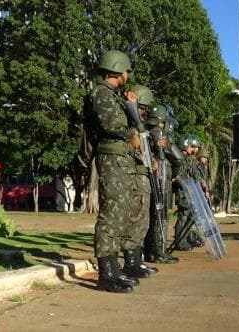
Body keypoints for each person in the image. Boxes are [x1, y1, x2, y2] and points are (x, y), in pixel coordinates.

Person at [90, 50, 141, 293]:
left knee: (121, 212)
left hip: (122, 158)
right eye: (126, 70)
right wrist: (130, 135)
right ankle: (106, 273)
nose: (128, 74)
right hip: (112, 158)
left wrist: (131, 105)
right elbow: (110, 123)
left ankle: (113, 267)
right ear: (117, 68)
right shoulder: (100, 93)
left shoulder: (115, 95)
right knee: (112, 212)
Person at [121, 84, 158, 277]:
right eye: (142, 108)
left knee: (142, 222)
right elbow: (137, 147)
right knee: (135, 220)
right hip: (134, 176)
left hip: (142, 176)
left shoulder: (138, 125)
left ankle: (137, 260)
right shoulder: (129, 124)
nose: (143, 113)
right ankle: (131, 262)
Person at [143, 104, 180, 264]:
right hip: (162, 177)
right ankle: (159, 251)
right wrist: (176, 173)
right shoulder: (161, 135)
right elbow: (178, 157)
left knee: (152, 215)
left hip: (149, 177)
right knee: (161, 216)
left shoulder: (145, 132)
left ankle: (149, 251)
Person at [173, 135, 204, 250]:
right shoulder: (181, 158)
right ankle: (180, 241)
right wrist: (186, 186)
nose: (195, 150)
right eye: (193, 147)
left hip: (190, 191)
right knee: (184, 216)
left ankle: (185, 239)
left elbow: (195, 174)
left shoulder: (191, 158)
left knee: (189, 215)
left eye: (196, 147)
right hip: (183, 191)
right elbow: (178, 175)